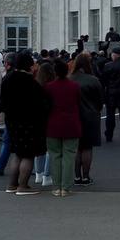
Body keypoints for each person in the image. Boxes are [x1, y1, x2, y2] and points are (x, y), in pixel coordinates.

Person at [0, 51, 49, 195]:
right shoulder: (30, 81)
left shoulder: (8, 78)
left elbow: (3, 99)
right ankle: (23, 185)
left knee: (17, 153)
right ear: (28, 65)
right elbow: (41, 102)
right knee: (28, 154)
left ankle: (12, 184)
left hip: (12, 120)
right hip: (29, 121)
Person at [43, 59, 81, 196]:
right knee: (69, 156)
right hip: (71, 124)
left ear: (55, 72)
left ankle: (56, 187)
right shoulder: (75, 86)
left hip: (53, 124)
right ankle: (66, 187)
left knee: (55, 156)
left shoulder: (48, 87)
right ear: (68, 71)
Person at [69, 52, 103, 186]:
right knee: (87, 148)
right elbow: (100, 101)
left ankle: (77, 176)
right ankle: (86, 177)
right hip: (90, 116)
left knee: (76, 147)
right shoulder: (93, 80)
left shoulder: (70, 79)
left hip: (74, 116)